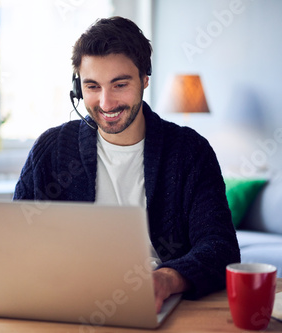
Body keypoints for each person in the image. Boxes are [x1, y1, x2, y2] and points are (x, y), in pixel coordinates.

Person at [13, 16, 240, 313]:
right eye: (92, 86)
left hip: (157, 302)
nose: (106, 103)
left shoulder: (190, 151)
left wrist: (167, 278)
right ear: (77, 87)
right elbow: (17, 241)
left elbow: (220, 247)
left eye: (120, 84)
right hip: (67, 300)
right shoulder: (51, 150)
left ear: (145, 79)